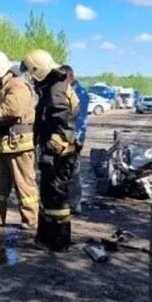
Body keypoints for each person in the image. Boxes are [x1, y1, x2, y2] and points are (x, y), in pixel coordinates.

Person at [21, 49, 79, 251]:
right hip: (56, 151)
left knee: (56, 196)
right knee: (48, 196)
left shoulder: (56, 89)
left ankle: (59, 241)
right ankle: (46, 238)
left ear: (38, 69)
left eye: (31, 70)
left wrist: (50, 152)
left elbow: (63, 124)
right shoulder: (53, 86)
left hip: (59, 154)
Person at [0, 50, 38, 230]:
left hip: (19, 144)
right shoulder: (0, 86)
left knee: (24, 187)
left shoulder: (17, 85)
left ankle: (30, 221)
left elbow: (12, 109)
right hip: (3, 144)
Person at [61, 65, 88, 215]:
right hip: (66, 135)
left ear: (69, 77)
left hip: (74, 137)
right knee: (63, 169)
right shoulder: (68, 90)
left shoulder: (80, 93)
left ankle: (74, 203)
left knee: (72, 169)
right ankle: (66, 200)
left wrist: (75, 138)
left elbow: (80, 119)